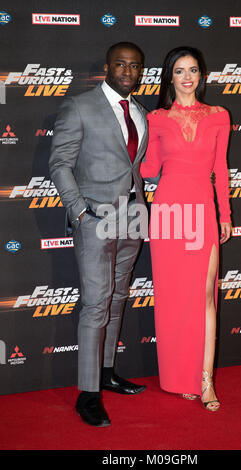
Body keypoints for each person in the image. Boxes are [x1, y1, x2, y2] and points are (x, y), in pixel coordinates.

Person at [49, 42, 148, 427]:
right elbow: (59, 164)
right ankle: (87, 394)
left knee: (118, 297)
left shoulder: (140, 112)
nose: (127, 71)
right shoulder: (79, 106)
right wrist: (78, 210)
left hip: (132, 220)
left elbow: (135, 168)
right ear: (107, 67)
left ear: (142, 71)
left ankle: (106, 373)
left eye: (135, 66)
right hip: (95, 219)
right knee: (96, 303)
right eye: (120, 64)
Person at [140, 46, 232, 411]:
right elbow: (149, 170)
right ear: (170, 77)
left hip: (202, 213)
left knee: (205, 298)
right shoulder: (157, 119)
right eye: (180, 70)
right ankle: (178, 376)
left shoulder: (219, 116)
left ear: (202, 75)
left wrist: (224, 214)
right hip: (168, 214)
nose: (188, 77)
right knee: (174, 298)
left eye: (193, 69)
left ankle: (205, 380)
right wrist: (129, 137)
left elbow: (221, 170)